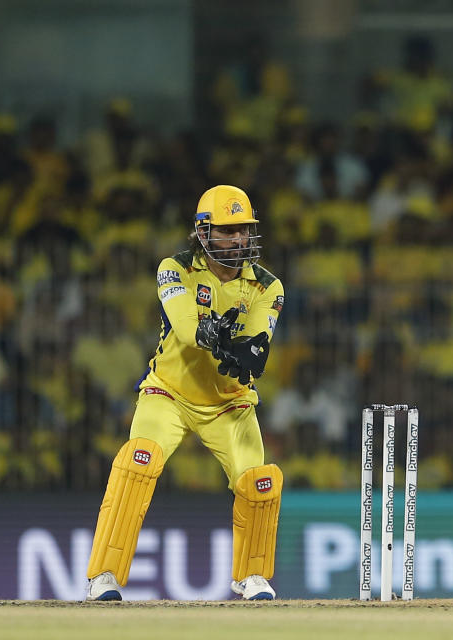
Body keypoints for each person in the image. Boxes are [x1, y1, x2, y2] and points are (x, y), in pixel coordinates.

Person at [84, 185, 285, 601]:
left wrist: (248, 355)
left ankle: (251, 577)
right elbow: (183, 325)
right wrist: (211, 334)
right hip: (168, 394)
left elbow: (256, 347)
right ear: (203, 232)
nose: (239, 240)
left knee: (257, 481)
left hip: (230, 404)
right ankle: (102, 576)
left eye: (244, 230)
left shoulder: (268, 285)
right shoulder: (173, 268)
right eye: (229, 231)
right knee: (138, 462)